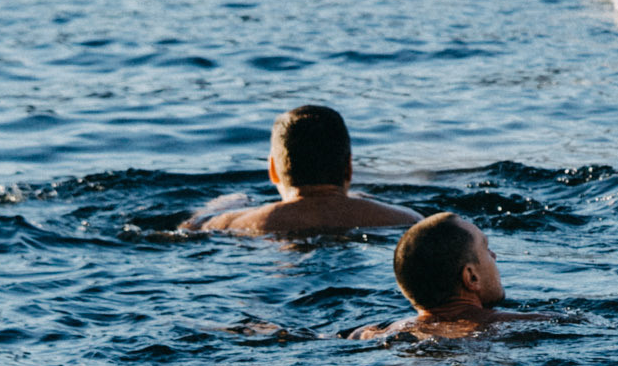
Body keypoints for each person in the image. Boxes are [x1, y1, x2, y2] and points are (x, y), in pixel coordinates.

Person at [189, 106, 420, 237]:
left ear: (273, 170)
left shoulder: (229, 223)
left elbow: (186, 232)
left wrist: (216, 208)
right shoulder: (408, 220)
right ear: (349, 167)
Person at [351, 212, 555, 340]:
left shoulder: (373, 333)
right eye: (486, 248)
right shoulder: (531, 323)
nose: (494, 255)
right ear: (471, 277)